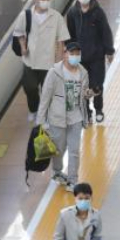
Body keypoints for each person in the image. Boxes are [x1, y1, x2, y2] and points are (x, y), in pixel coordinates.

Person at [36, 42, 91, 188]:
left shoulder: (83, 72)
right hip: (57, 118)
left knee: (74, 151)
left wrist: (88, 94)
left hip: (76, 117)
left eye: (77, 54)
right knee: (58, 149)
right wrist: (41, 121)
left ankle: (73, 180)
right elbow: (45, 97)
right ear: (65, 54)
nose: (75, 56)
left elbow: (83, 94)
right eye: (72, 53)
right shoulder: (54, 73)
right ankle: (57, 171)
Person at [15, 0, 70, 122]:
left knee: (48, 91)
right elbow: (19, 33)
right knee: (29, 87)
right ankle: (33, 110)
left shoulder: (56, 17)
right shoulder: (26, 16)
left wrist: (58, 62)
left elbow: (61, 41)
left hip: (48, 62)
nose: (46, 1)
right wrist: (23, 47)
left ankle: (45, 115)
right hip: (30, 61)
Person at [64, 0, 115, 123]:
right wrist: (70, 52)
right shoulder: (73, 13)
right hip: (80, 58)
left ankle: (99, 109)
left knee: (97, 84)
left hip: (97, 56)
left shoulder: (98, 12)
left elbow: (106, 32)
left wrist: (109, 50)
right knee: (83, 86)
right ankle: (87, 112)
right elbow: (69, 35)